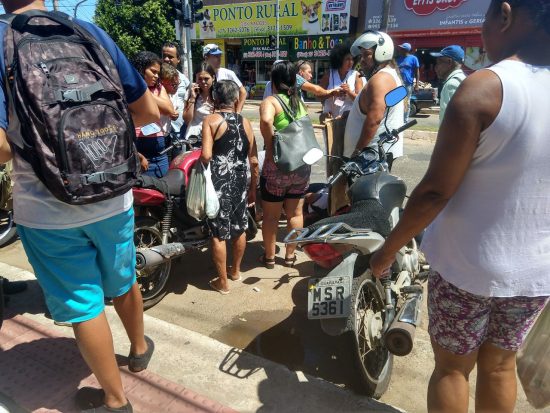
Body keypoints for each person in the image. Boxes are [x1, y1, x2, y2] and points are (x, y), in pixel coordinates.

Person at [370, 1, 550, 411]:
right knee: (500, 367)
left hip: (468, 265)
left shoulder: (485, 87)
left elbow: (434, 191)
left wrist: (388, 250)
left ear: (504, 15)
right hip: (536, 272)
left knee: (452, 370)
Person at [0, 2, 160, 412]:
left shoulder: (1, 41)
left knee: (84, 304)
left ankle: (114, 399)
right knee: (123, 279)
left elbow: (1, 148)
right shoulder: (89, 33)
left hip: (47, 208)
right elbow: (147, 111)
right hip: (114, 194)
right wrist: (96, 146)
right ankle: (139, 350)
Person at [200, 80, 259, 294]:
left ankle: (222, 282)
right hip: (240, 180)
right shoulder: (245, 122)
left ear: (216, 99)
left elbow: (206, 155)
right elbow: (253, 159)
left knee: (217, 231)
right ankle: (235, 271)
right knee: (239, 225)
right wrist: (253, 186)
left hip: (219, 182)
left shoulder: (211, 120)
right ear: (235, 100)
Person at [259, 61, 312, 269]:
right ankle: (290, 257)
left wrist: (270, 149)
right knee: (296, 214)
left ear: (274, 80)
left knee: (271, 217)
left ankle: (270, 258)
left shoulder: (271, 101)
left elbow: (265, 121)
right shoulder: (299, 101)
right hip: (301, 165)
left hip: (278, 166)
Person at [343, 31, 404, 167]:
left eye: (367, 55)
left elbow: (374, 119)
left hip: (369, 158)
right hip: (375, 155)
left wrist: (357, 153)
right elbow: (386, 110)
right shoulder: (390, 75)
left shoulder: (381, 79)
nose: (362, 61)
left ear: (382, 52)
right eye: (361, 56)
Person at [132, 51, 174, 177]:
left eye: (158, 73)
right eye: (153, 72)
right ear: (141, 69)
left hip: (159, 150)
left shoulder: (159, 88)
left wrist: (143, 91)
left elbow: (169, 109)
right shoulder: (126, 90)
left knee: (163, 190)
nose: (156, 76)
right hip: (138, 147)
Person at [319, 43, 362, 119]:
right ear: (340, 59)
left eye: (352, 59)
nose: (351, 62)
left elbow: (360, 100)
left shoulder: (356, 75)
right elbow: (318, 96)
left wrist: (349, 92)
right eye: (347, 59)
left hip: (348, 118)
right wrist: (332, 94)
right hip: (330, 118)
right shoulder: (329, 74)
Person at [203, 44, 247, 113]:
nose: (219, 59)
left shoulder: (228, 73)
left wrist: (238, 112)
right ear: (206, 58)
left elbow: (243, 92)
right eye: (215, 56)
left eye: (220, 56)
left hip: (227, 115)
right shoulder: (201, 76)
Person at [430, 45, 466, 124]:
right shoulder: (463, 79)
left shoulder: (450, 84)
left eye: (438, 62)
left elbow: (447, 121)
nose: (436, 67)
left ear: (449, 62)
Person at [161, 41, 190, 135]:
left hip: (179, 131)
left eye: (170, 57)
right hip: (159, 131)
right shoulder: (155, 77)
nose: (166, 59)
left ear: (178, 59)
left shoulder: (185, 80)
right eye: (164, 56)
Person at [183, 65, 215, 144]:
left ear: (213, 78)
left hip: (213, 137)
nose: (203, 82)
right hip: (194, 138)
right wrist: (193, 98)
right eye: (200, 79)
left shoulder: (218, 93)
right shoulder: (191, 92)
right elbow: (187, 120)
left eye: (206, 79)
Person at [396, 42, 420, 122]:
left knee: (406, 102)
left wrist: (416, 84)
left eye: (401, 48)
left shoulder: (413, 58)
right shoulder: (398, 59)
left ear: (406, 50)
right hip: (398, 84)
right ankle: (398, 119)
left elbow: (417, 72)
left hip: (407, 84)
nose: (400, 50)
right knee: (397, 102)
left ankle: (405, 120)